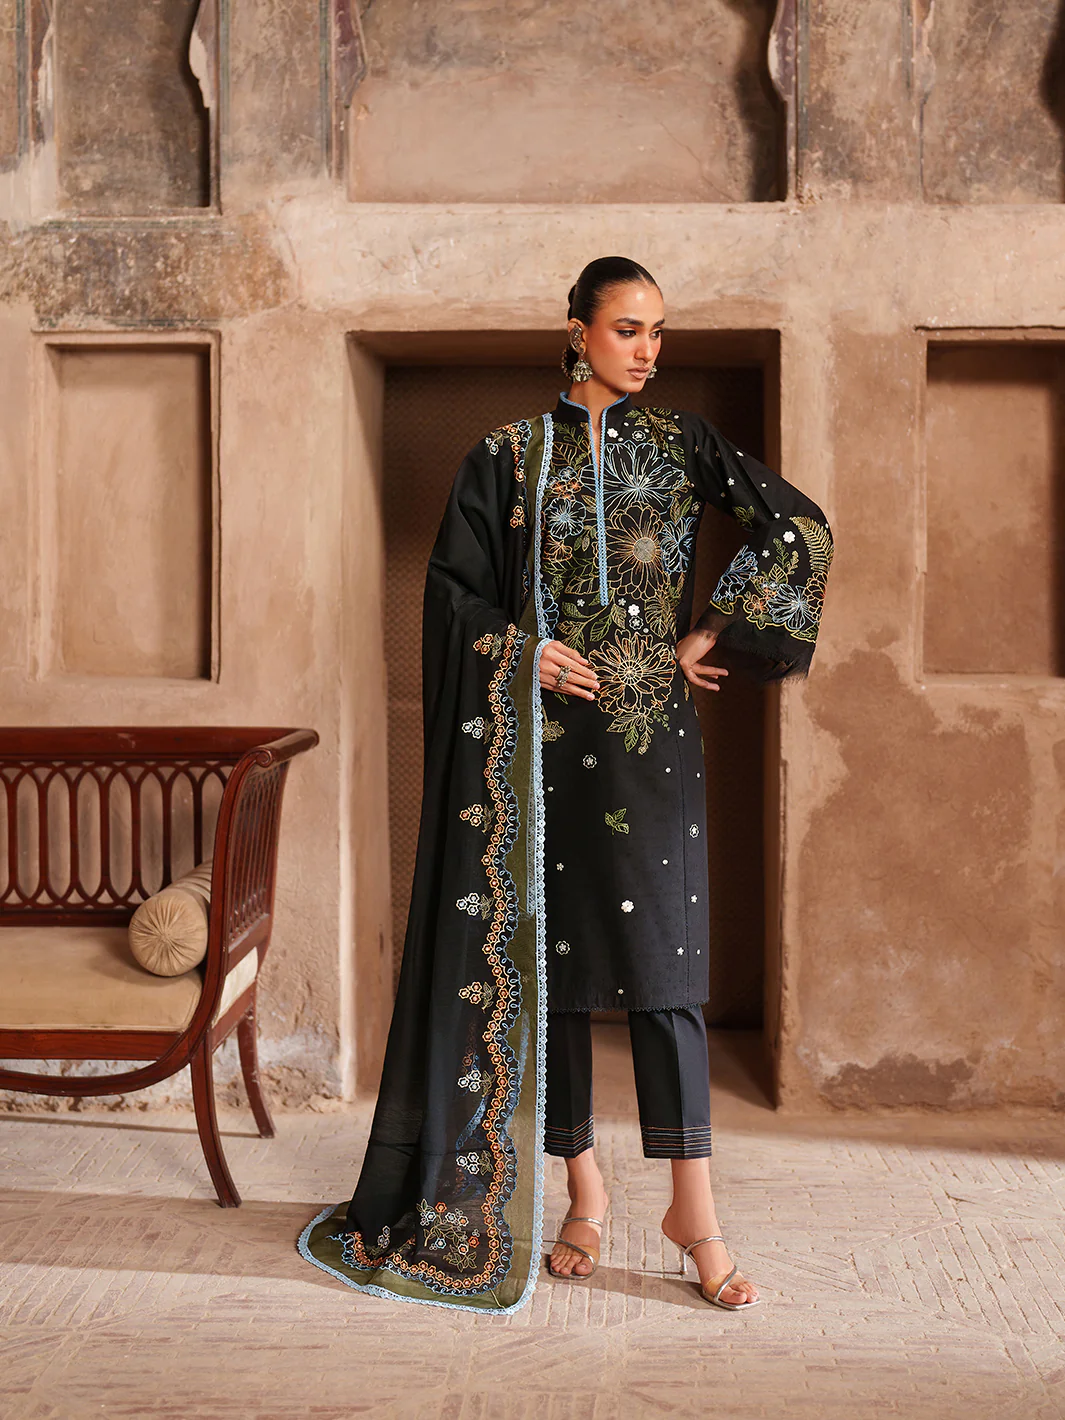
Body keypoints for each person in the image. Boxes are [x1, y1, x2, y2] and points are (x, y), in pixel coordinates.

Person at [299, 257, 833, 1315]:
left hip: (651, 742)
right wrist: (523, 650)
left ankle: (694, 1214)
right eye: (629, 328)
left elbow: (798, 528)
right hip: (537, 748)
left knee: (668, 976)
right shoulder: (507, 455)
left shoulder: (681, 443)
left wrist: (711, 631)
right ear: (578, 329)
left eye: (659, 332)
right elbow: (450, 595)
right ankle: (584, 1191)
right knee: (558, 975)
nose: (648, 350)